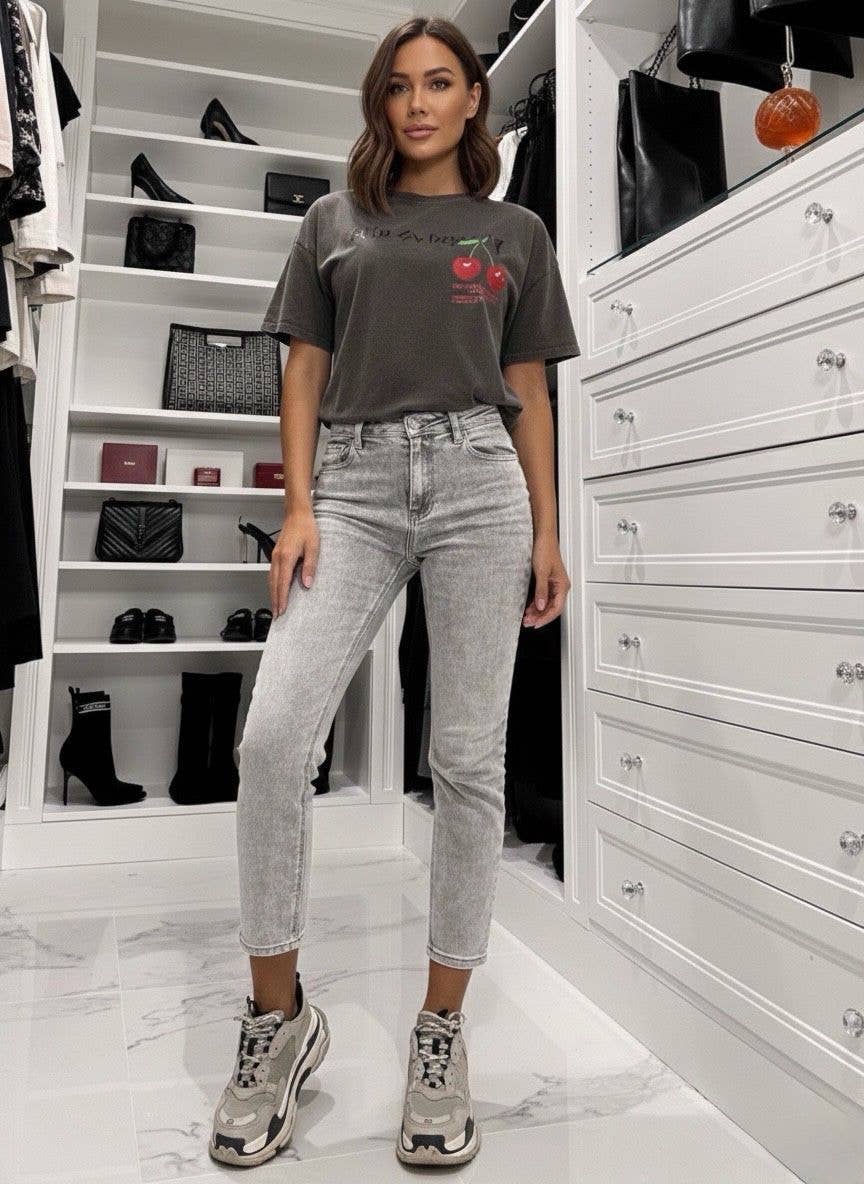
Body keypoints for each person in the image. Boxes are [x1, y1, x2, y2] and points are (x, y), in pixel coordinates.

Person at [209, 13, 580, 1171]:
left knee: (467, 761)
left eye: (439, 82)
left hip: (481, 483)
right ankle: (278, 1018)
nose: (418, 102)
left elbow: (528, 387)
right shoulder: (334, 220)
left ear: (474, 100)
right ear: (381, 104)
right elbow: (303, 369)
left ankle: (441, 1029)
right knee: (274, 736)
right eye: (398, 86)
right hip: (356, 485)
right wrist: (300, 503)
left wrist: (548, 528)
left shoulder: (517, 232)